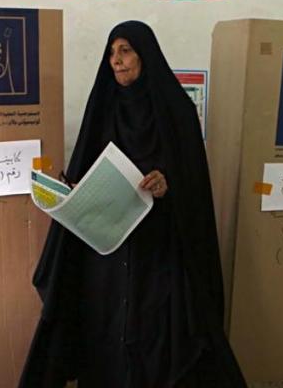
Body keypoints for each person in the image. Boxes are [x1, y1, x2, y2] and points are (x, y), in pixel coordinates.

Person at [19, 21, 247, 388]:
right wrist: (74, 189)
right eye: (111, 52)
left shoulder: (177, 111)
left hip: (159, 246)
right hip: (108, 245)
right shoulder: (103, 107)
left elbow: (193, 181)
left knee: (154, 324)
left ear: (145, 54)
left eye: (125, 50)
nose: (116, 61)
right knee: (107, 320)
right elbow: (86, 166)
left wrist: (167, 182)